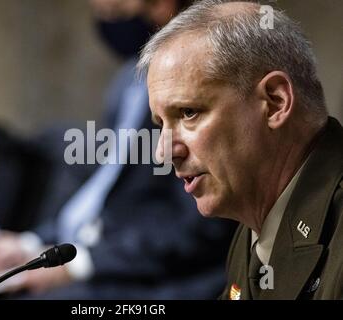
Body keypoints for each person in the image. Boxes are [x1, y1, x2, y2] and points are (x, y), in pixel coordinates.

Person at [0, 0, 236, 299]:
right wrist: (31, 244)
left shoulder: (201, 87)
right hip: (93, 251)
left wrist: (80, 264)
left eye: (115, 10)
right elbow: (100, 195)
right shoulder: (126, 83)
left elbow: (195, 228)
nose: (105, 20)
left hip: (146, 277)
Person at [138, 0, 343, 300]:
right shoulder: (253, 229)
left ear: (275, 102)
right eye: (161, 123)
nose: (164, 153)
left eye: (189, 113)